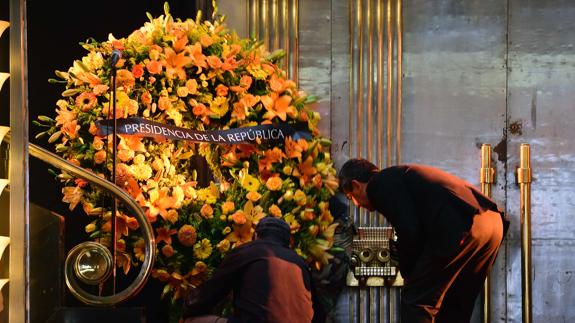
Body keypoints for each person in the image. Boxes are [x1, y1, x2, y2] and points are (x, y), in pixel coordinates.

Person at [338, 159, 509, 323]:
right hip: (490, 223)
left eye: (349, 197)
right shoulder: (399, 177)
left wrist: (407, 273)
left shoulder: (379, 184)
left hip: (461, 224)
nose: (357, 205)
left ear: (356, 185)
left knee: (415, 301)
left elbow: (408, 230)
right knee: (454, 303)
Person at [181, 216, 314, 323]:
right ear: (288, 242)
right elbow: (318, 312)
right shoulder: (300, 262)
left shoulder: (247, 251)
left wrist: (187, 309)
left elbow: (210, 292)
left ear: (255, 235)